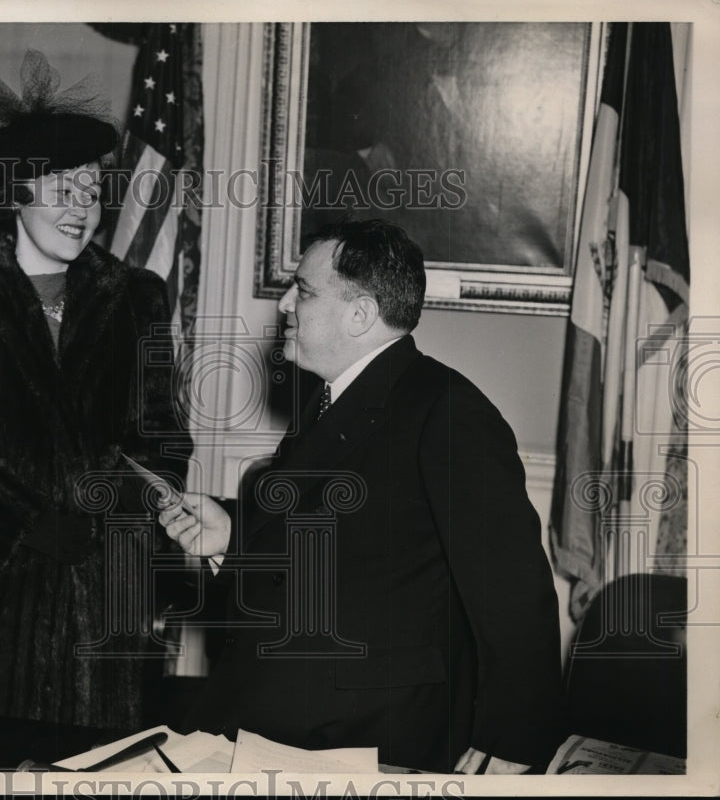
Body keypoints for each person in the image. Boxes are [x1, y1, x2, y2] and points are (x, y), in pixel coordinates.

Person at [160, 219, 565, 773]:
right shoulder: (333, 400)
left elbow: (516, 596)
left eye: (302, 290)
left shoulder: (448, 412)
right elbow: (346, 542)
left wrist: (513, 744)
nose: (283, 306)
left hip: (367, 740)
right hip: (275, 719)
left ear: (361, 314)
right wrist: (231, 530)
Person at [0, 51, 191, 727]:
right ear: (14, 193)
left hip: (105, 613)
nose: (82, 208)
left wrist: (119, 514)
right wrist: (28, 525)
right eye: (61, 188)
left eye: (91, 188)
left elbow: (162, 440)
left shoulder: (137, 299)